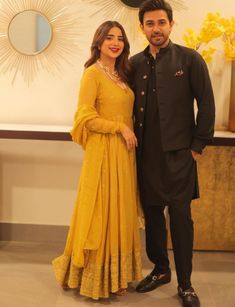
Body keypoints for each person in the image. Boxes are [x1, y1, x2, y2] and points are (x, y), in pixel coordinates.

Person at [130, 1, 215, 306]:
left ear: (171, 24)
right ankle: (160, 269)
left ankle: (186, 283)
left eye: (161, 22)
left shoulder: (190, 59)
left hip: (180, 156)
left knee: (180, 218)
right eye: (150, 23)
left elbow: (206, 104)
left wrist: (197, 146)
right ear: (142, 28)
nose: (156, 29)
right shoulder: (134, 63)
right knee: (153, 216)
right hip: (146, 156)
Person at [52, 20, 143, 300]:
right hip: (102, 153)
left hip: (124, 155)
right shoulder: (92, 74)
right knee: (100, 212)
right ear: (99, 42)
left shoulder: (122, 74)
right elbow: (84, 117)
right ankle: (89, 275)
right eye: (109, 38)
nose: (115, 42)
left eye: (120, 38)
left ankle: (116, 276)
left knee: (120, 210)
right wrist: (119, 127)